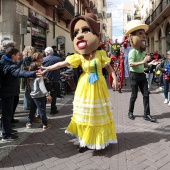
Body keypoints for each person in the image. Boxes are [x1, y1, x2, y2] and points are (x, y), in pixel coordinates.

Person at [41, 13, 118, 152]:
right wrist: (47, 68)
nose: (80, 35)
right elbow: (61, 64)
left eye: (86, 30)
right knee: (84, 113)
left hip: (98, 86)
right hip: (84, 86)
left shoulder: (101, 54)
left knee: (95, 113)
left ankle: (97, 139)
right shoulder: (79, 56)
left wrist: (115, 78)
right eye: (76, 33)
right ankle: (83, 140)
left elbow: (109, 68)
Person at [0, 48, 41, 141]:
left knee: (7, 114)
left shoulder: (5, 61)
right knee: (7, 114)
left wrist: (21, 60)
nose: (19, 57)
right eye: (18, 55)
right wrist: (33, 73)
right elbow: (19, 72)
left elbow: (15, 67)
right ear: (13, 55)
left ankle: (7, 130)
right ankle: (6, 135)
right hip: (8, 93)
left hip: (8, 91)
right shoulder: (8, 65)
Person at [125, 20, 158, 122]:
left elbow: (145, 65)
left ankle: (146, 114)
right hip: (134, 75)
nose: (144, 36)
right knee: (134, 95)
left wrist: (150, 64)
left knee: (146, 94)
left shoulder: (142, 52)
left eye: (144, 33)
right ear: (132, 38)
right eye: (140, 33)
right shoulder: (132, 52)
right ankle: (130, 112)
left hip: (142, 75)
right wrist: (143, 61)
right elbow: (131, 64)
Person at [26, 62, 52, 130]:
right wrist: (47, 95)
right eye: (40, 68)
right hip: (40, 96)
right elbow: (42, 87)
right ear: (37, 69)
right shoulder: (39, 76)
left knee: (32, 110)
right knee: (42, 110)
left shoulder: (30, 75)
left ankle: (29, 123)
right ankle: (45, 125)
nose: (42, 69)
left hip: (33, 95)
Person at [42, 47, 61, 115]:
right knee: (54, 95)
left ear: (47, 53)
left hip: (46, 79)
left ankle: (43, 109)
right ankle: (53, 109)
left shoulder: (44, 59)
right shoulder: (58, 59)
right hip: (55, 79)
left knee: (44, 94)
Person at [22, 46, 36, 110]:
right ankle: (27, 105)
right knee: (28, 90)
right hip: (28, 76)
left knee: (27, 90)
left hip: (27, 76)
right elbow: (29, 68)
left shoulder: (27, 58)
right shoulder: (28, 59)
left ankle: (27, 105)